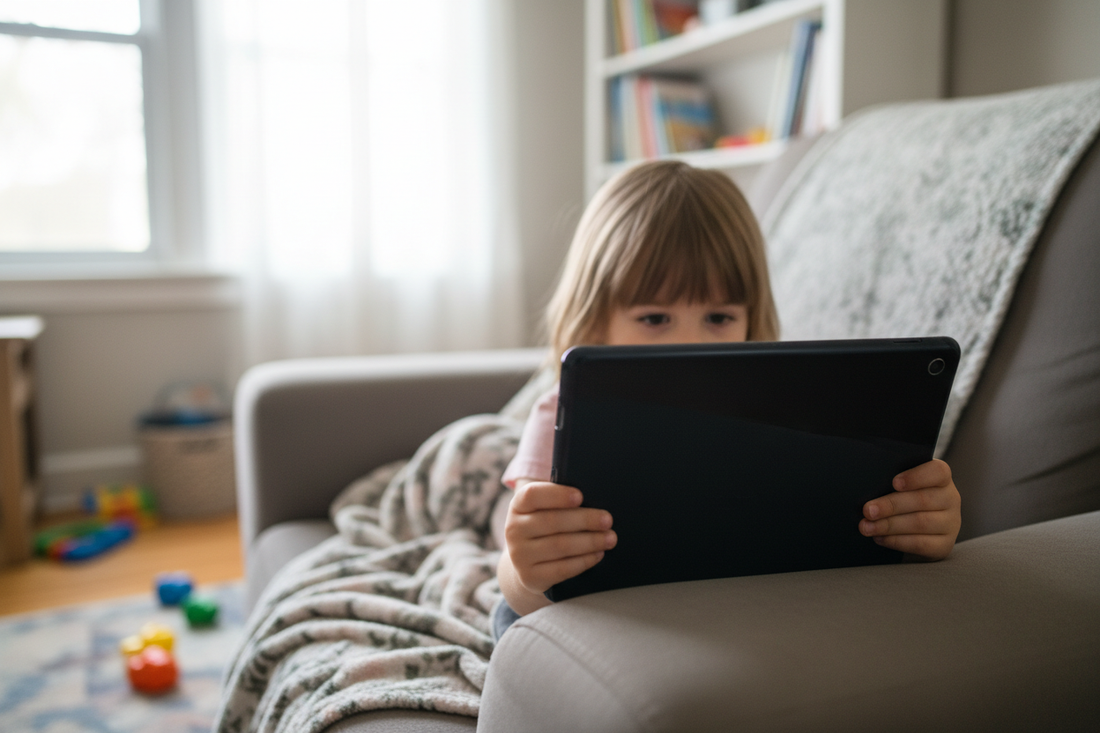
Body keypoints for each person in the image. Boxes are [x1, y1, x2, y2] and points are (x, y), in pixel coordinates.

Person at [492, 160, 962, 637]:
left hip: (738, 615)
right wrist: (525, 569)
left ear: (750, 318)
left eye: (718, 317)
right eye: (655, 319)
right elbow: (518, 586)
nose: (690, 347)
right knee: (511, 621)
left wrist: (920, 525)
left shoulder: (784, 409)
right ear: (596, 322)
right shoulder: (564, 414)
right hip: (608, 621)